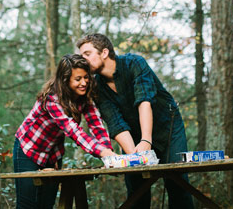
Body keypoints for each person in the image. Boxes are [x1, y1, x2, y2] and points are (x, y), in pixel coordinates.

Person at [76, 33, 194, 209]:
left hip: (167, 128)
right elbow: (115, 122)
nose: (82, 60)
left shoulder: (134, 63)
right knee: (136, 187)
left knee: (177, 182)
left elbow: (144, 102)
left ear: (105, 52)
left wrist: (146, 140)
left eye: (87, 53)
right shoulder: (96, 86)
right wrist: (134, 156)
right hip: (132, 135)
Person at [13, 54, 117, 209]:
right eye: (78, 79)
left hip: (52, 154)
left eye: (86, 77)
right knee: (27, 205)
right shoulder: (52, 98)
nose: (84, 83)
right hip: (28, 150)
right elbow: (73, 131)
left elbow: (96, 125)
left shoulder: (85, 97)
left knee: (46, 204)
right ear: (65, 80)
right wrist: (103, 153)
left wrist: (108, 153)